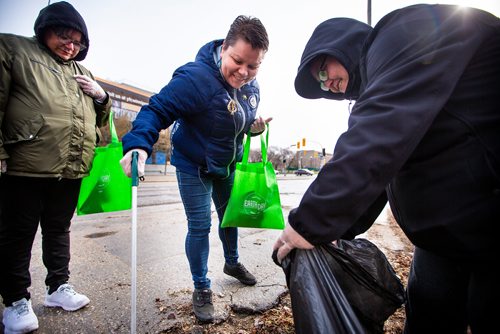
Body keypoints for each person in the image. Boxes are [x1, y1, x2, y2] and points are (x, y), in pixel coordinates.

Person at [273, 4, 499, 334]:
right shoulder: (383, 90)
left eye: (323, 70)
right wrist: (336, 229)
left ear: (342, 43)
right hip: (445, 237)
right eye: (319, 84)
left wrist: (308, 222)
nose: (326, 84)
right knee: (427, 312)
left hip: (491, 225)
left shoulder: (401, 34)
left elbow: (376, 138)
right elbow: (380, 173)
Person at [119, 15, 270, 323]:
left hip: (226, 165)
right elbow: (156, 109)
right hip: (194, 166)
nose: (244, 72)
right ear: (224, 47)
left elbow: (234, 125)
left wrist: (252, 129)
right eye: (238, 61)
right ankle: (202, 286)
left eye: (253, 66)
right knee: (200, 226)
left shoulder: (251, 86)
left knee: (231, 218)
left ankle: (232, 262)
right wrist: (138, 144)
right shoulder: (196, 79)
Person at [0, 1, 111, 333]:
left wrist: (102, 97)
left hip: (71, 167)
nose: (70, 45)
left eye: (77, 41)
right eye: (64, 35)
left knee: (59, 229)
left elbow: (101, 121)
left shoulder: (83, 72)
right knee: (17, 233)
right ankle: (16, 301)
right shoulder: (14, 50)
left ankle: (58, 287)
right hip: (25, 165)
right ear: (45, 29)